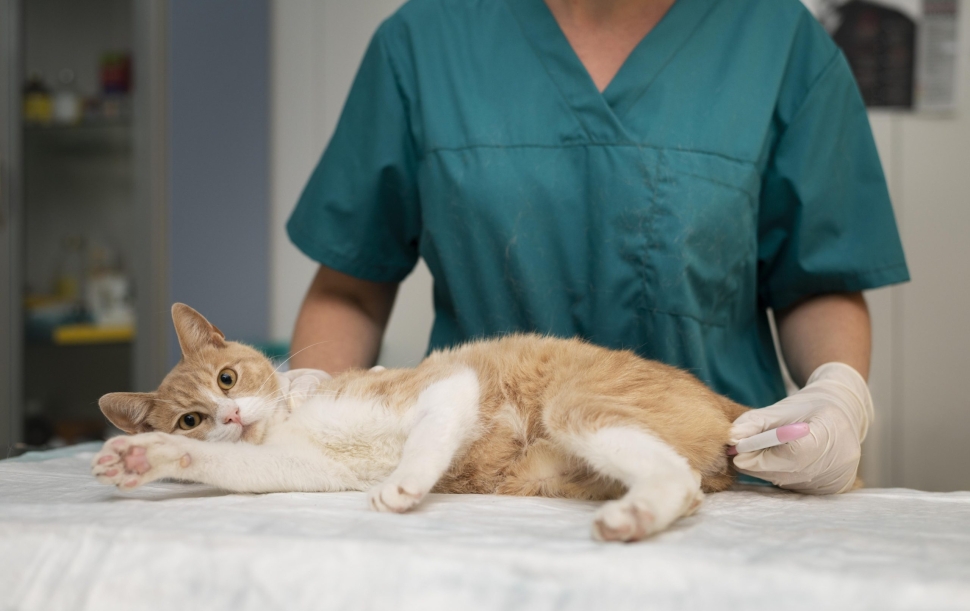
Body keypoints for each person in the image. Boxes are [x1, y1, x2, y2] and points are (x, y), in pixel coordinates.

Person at [285, 0, 908, 494]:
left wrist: (836, 395)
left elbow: (818, 281)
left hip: (717, 480)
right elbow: (351, 286)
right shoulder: (424, 40)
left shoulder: (778, 42)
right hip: (476, 485)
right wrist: (307, 410)